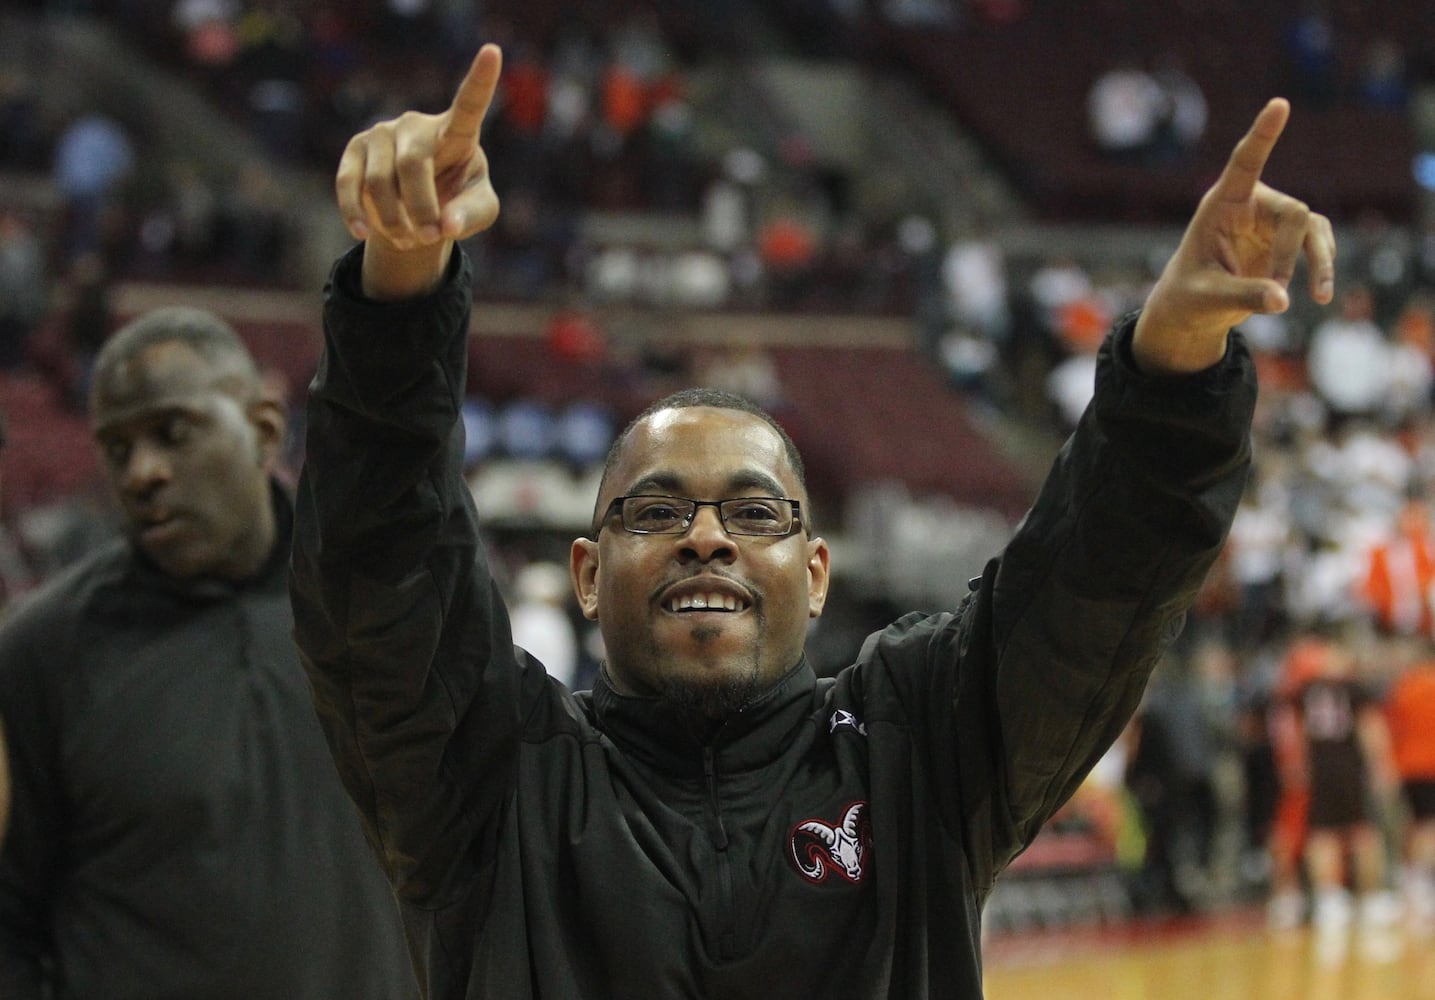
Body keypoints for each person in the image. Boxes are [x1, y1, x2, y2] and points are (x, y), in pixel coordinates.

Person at [290, 43, 1335, 999]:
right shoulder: (493, 774)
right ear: (586, 573)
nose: (708, 535)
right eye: (656, 510)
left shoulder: (916, 745)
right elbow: (379, 574)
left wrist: (1178, 348)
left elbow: (1095, 590)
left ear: (819, 570)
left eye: (754, 511)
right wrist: (398, 291)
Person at [0, 307, 416, 998]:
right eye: (117, 447)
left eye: (172, 432)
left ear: (264, 428)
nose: (142, 473)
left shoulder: (385, 606)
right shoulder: (42, 650)